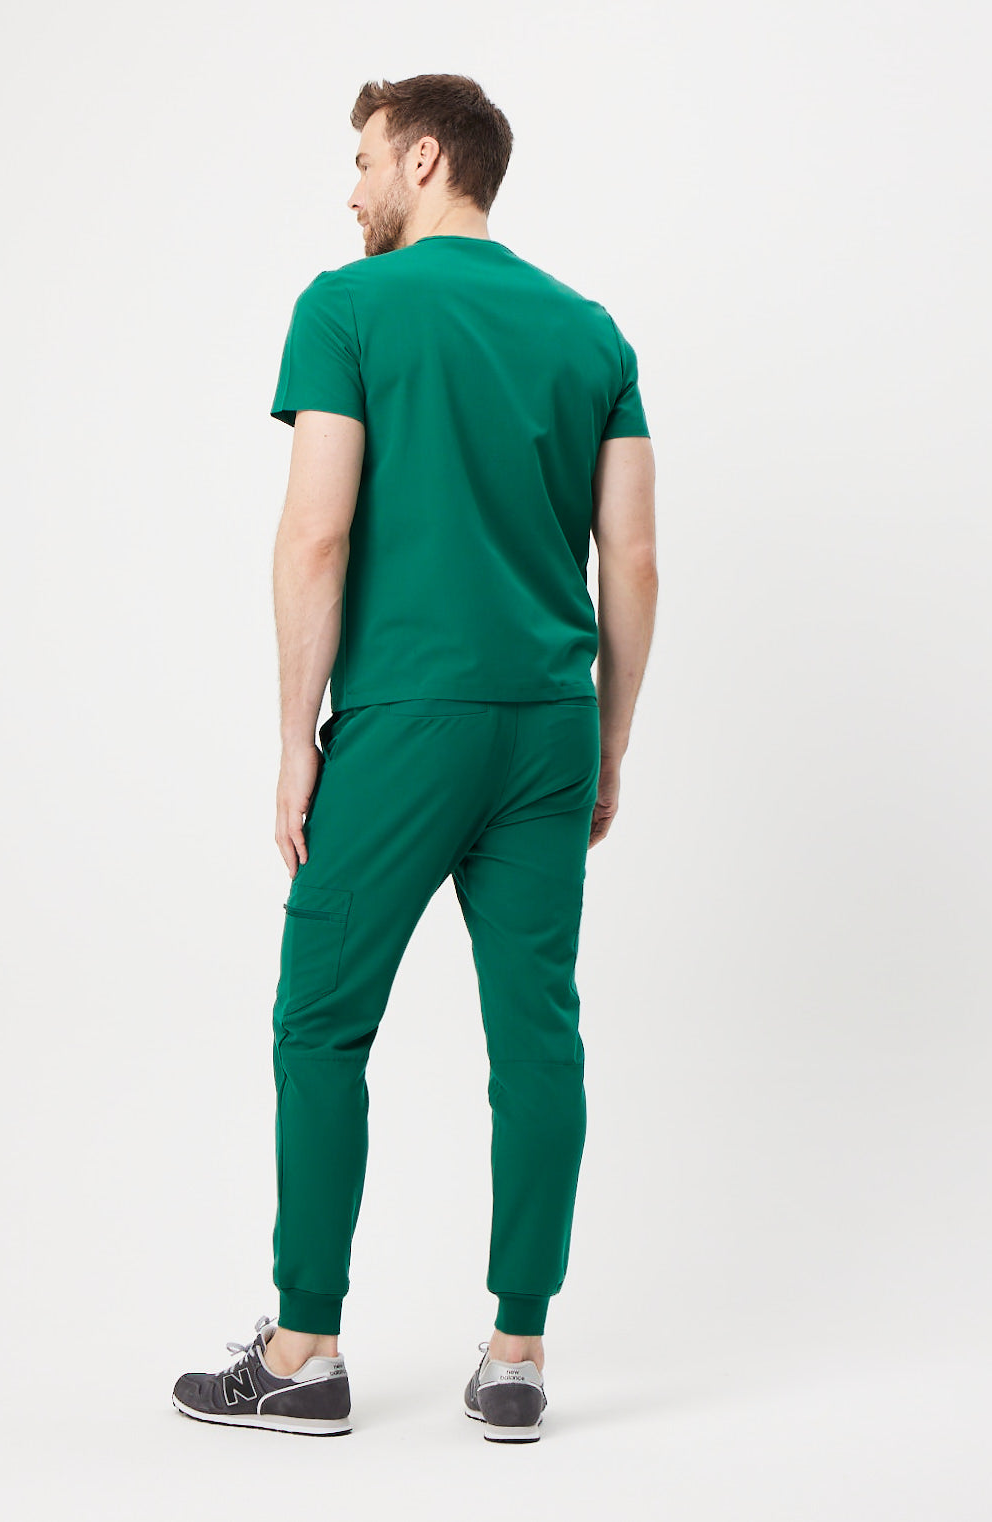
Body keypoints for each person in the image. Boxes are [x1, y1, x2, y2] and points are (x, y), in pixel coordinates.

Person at [173, 72, 658, 1441]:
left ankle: (303, 1352)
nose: (352, 191)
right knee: (537, 1034)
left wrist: (293, 738)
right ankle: (516, 1357)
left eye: (365, 160)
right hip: (548, 724)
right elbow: (631, 557)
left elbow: (315, 531)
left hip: (404, 723)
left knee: (321, 1024)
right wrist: (608, 739)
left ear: (427, 159)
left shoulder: (346, 308)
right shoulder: (591, 332)